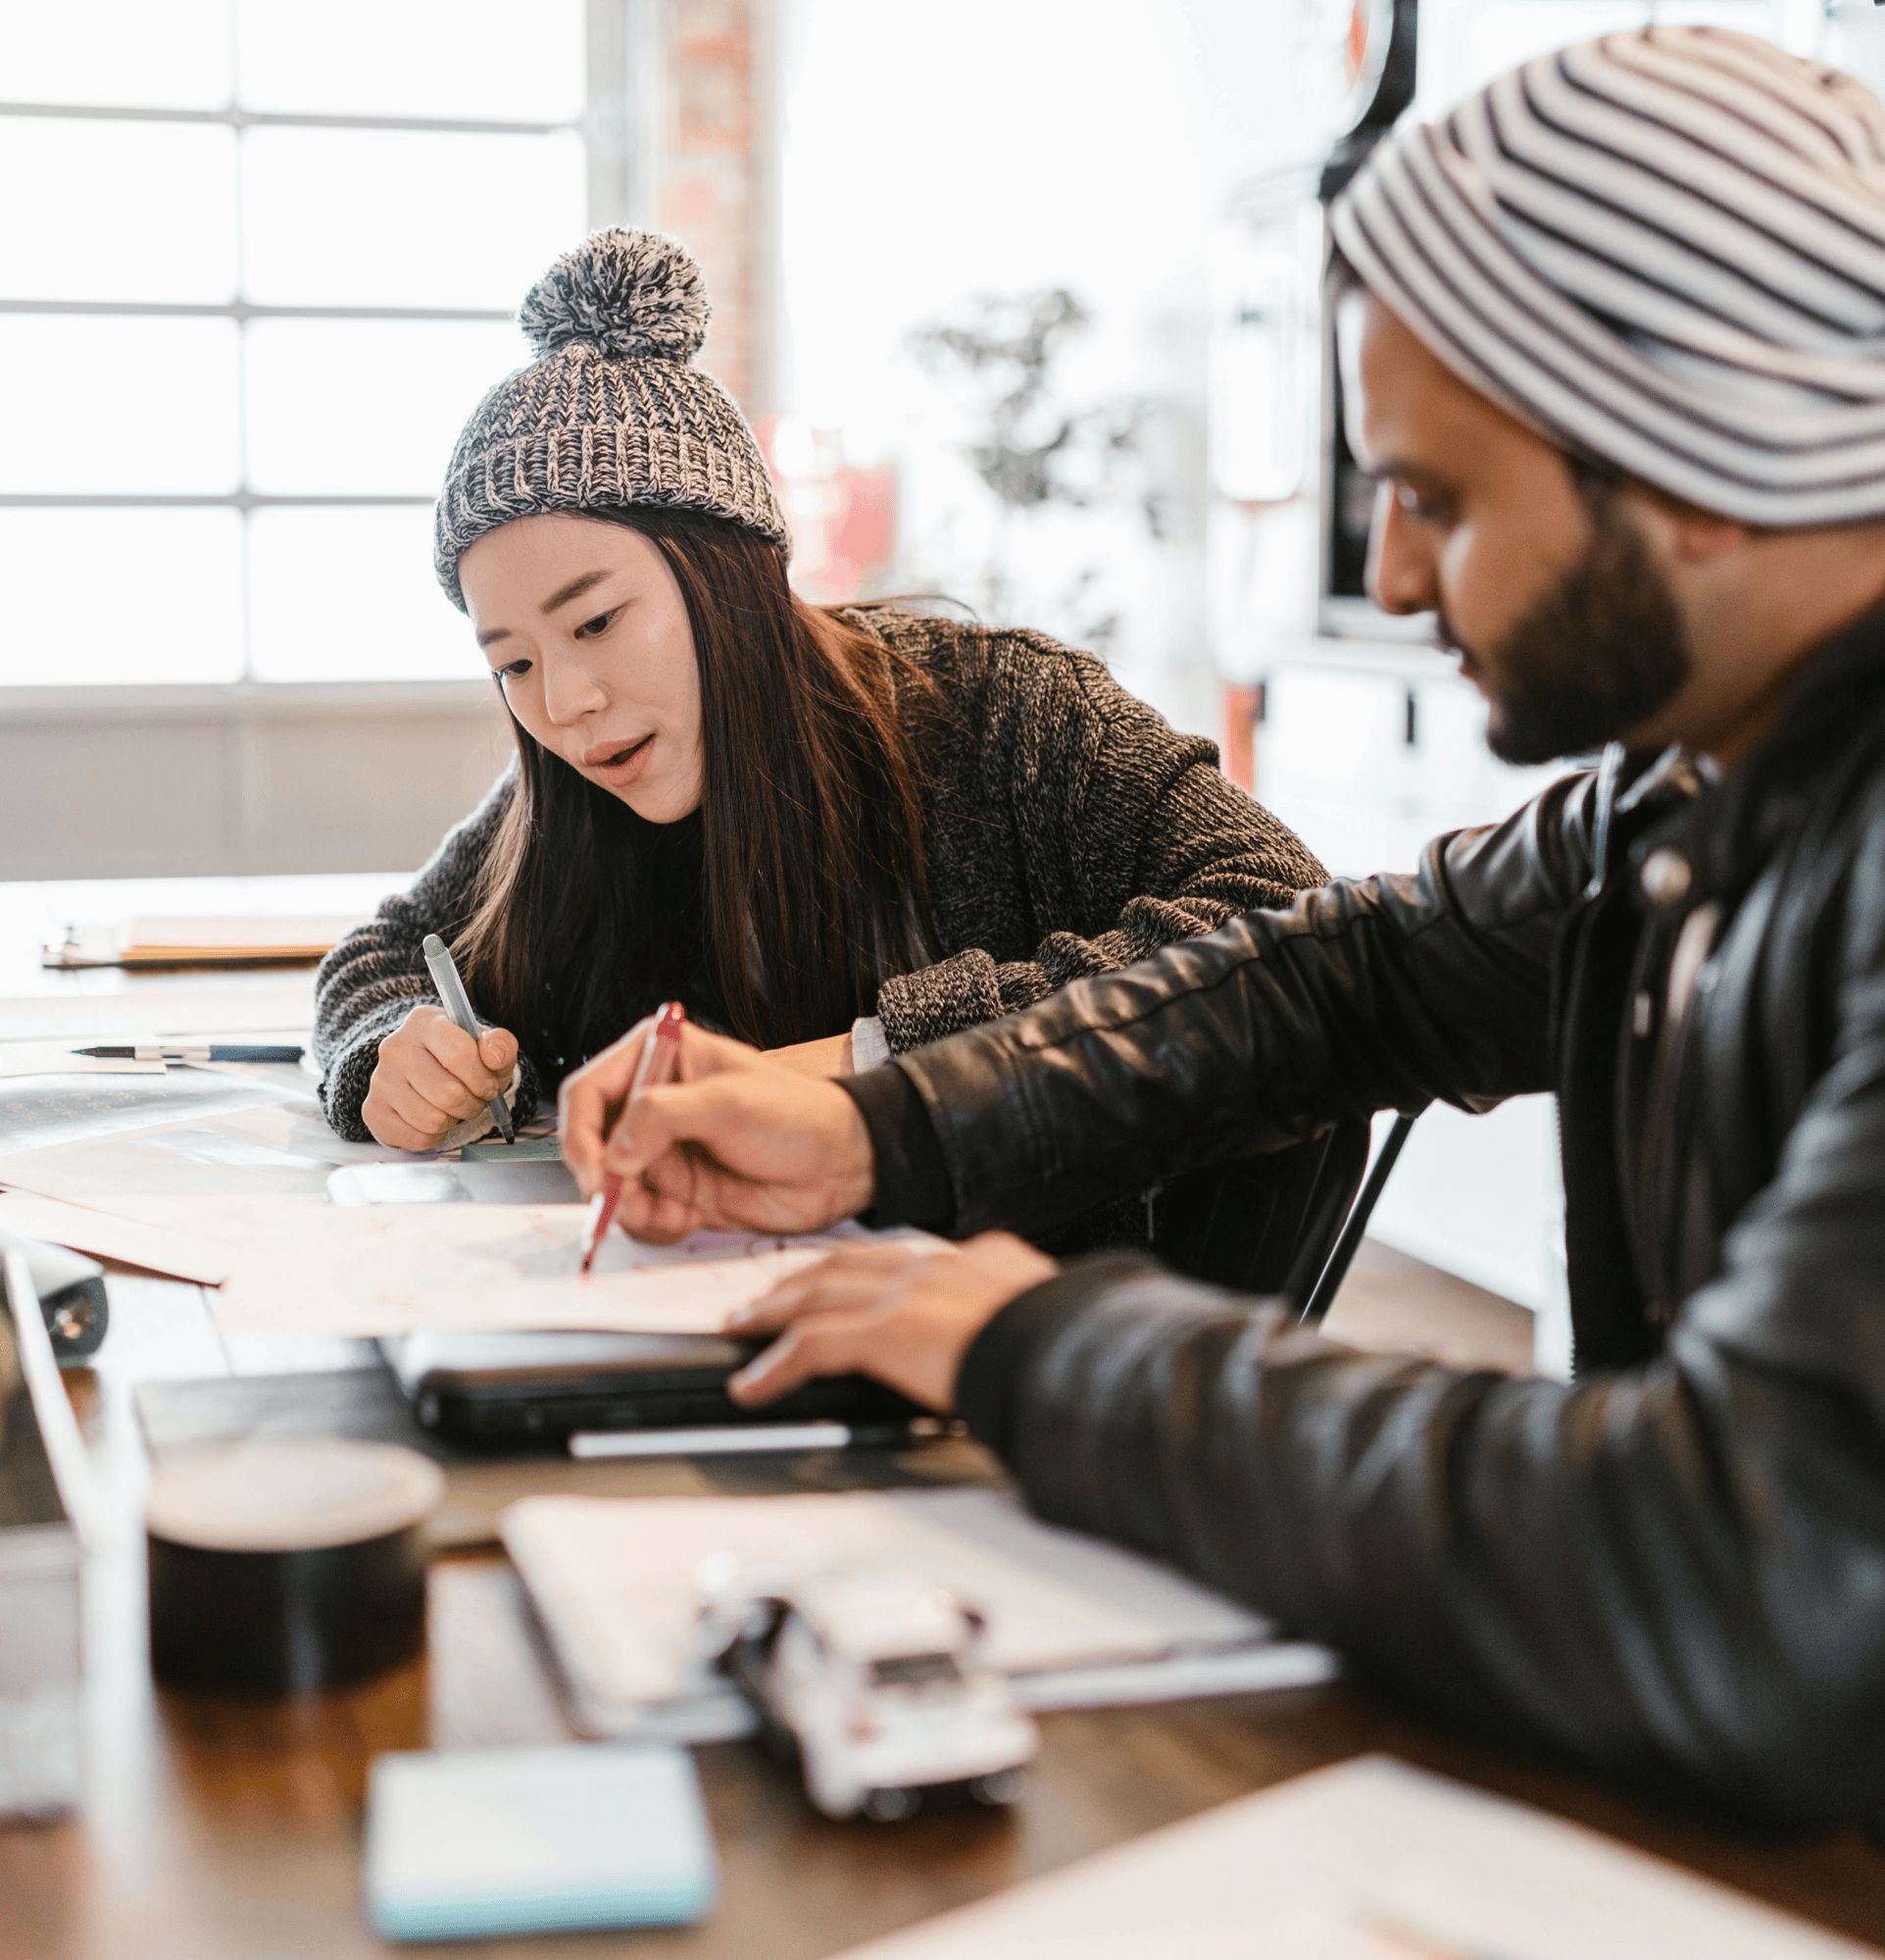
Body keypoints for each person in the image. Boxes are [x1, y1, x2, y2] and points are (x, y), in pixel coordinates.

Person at [560, 29, 1885, 1825]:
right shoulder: (1684, 791)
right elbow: (1343, 973)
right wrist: (875, 1121)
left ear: (1703, 463)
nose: (1395, 574)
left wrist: (1032, 1339)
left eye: (1434, 496)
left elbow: (1741, 1567)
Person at [314, 227, 1329, 1270]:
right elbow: (382, 955)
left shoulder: (1003, 711)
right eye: (513, 665)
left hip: (1016, 1360)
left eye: (598, 623)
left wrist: (865, 1065)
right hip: (695, 1334)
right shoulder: (575, 796)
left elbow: (1297, 921)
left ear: (727, 575)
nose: (566, 701)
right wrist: (389, 1045)